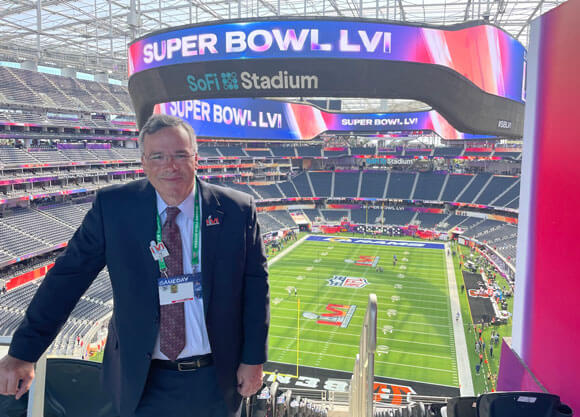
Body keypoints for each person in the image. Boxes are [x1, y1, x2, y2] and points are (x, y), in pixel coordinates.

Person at [0, 114, 270, 417]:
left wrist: (253, 359)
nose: (171, 166)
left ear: (196, 158)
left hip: (215, 379)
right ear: (144, 162)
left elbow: (256, 288)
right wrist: (23, 352)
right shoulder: (114, 207)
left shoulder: (236, 209)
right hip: (141, 381)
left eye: (181, 155)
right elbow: (66, 279)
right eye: (159, 156)